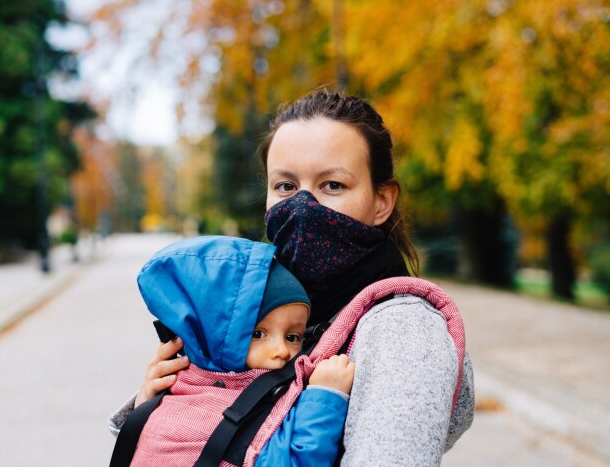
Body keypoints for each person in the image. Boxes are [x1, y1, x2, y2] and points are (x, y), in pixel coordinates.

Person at [110, 89, 475, 465]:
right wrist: (164, 404)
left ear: (382, 201)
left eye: (332, 185)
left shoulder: (403, 330)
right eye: (285, 186)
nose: (302, 206)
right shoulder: (268, 302)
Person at [128, 235, 355, 466]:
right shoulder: (189, 411)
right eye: (258, 334)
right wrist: (325, 397)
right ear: (213, 336)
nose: (282, 351)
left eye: (292, 337)